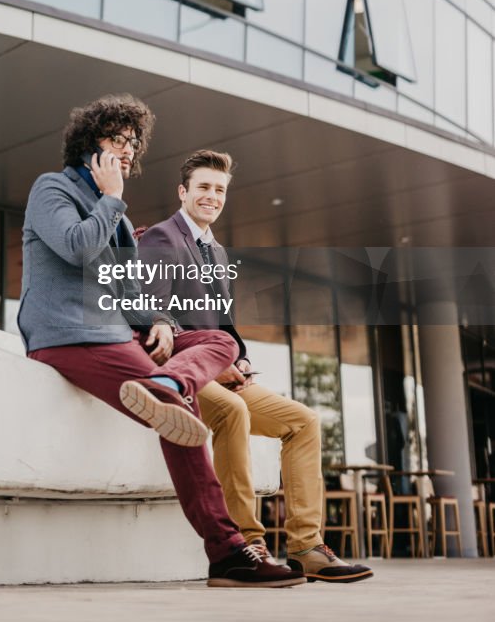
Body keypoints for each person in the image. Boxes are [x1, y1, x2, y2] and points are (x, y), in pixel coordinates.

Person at [18, 96, 304, 588]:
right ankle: (228, 551)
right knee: (185, 418)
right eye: (116, 139)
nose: (127, 151)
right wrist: (110, 197)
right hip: (69, 333)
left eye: (133, 143)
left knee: (219, 341)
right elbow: (77, 248)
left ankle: (168, 380)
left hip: (114, 331)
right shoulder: (53, 189)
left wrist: (157, 321)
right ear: (89, 144)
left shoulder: (122, 220)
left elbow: (130, 290)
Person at [139, 149, 373, 583]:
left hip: (224, 371)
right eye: (204, 187)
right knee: (233, 412)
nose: (212, 196)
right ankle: (247, 543)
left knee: (303, 421)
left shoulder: (219, 253)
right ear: (182, 191)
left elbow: (224, 324)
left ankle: (306, 546)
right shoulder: (160, 238)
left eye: (219, 189)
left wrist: (240, 358)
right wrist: (210, 360)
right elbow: (153, 314)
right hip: (183, 370)